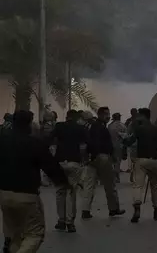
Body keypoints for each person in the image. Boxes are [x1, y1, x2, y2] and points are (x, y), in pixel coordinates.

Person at [0, 110, 68, 253]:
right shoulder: (35, 143)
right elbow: (51, 166)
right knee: (34, 233)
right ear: (30, 124)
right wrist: (63, 182)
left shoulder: (2, 140)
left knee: (15, 235)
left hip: (4, 194)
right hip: (27, 196)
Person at [124, 108, 157, 223]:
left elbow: (129, 142)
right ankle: (156, 211)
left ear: (143, 116)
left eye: (139, 116)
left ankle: (137, 207)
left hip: (142, 161)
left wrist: (122, 139)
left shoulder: (139, 129)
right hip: (155, 161)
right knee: (155, 187)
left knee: (137, 186)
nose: (138, 118)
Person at [82, 106, 125, 219]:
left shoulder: (95, 126)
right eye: (106, 114)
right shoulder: (100, 127)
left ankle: (85, 210)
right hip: (102, 157)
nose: (108, 116)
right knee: (110, 184)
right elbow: (98, 143)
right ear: (100, 115)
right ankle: (113, 209)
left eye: (109, 114)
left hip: (93, 159)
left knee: (89, 185)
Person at [50, 110, 87, 233]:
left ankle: (61, 221)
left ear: (66, 117)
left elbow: (50, 139)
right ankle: (70, 223)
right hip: (74, 162)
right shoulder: (80, 128)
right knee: (71, 193)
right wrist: (83, 159)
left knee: (60, 192)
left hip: (60, 162)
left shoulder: (59, 126)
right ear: (76, 118)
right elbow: (84, 146)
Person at [108, 112, 127, 183]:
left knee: (112, 161)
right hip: (119, 146)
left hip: (111, 146)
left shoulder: (110, 126)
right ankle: (117, 177)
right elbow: (125, 138)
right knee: (118, 162)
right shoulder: (123, 126)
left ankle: (114, 176)